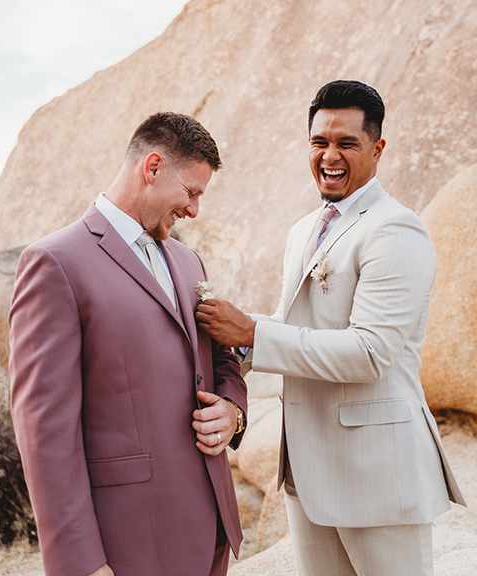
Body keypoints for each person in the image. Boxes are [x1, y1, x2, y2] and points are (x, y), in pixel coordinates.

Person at [196, 80, 466, 576]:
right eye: (320, 143)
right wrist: (229, 335)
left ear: (378, 149)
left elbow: (371, 353)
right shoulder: (303, 229)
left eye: (347, 143)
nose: (330, 156)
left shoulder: (395, 228)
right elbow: (294, 327)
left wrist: (252, 333)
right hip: (306, 467)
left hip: (376, 471)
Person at [9, 112, 247, 576]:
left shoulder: (188, 260)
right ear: (152, 167)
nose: (195, 210)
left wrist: (233, 411)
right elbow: (44, 432)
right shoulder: (54, 263)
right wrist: (81, 563)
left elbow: (222, 359)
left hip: (211, 531)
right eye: (192, 193)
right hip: (130, 543)